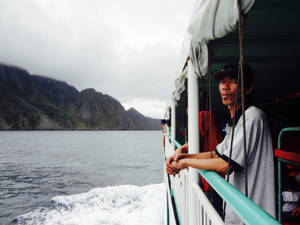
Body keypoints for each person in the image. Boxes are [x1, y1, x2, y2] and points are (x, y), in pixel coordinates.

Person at [166, 63, 276, 224]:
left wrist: (184, 163)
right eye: (222, 82)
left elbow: (226, 165)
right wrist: (182, 155)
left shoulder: (252, 117)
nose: (225, 87)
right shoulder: (235, 122)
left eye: (233, 81)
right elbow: (215, 153)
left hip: (253, 216)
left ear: (248, 88)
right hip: (239, 213)